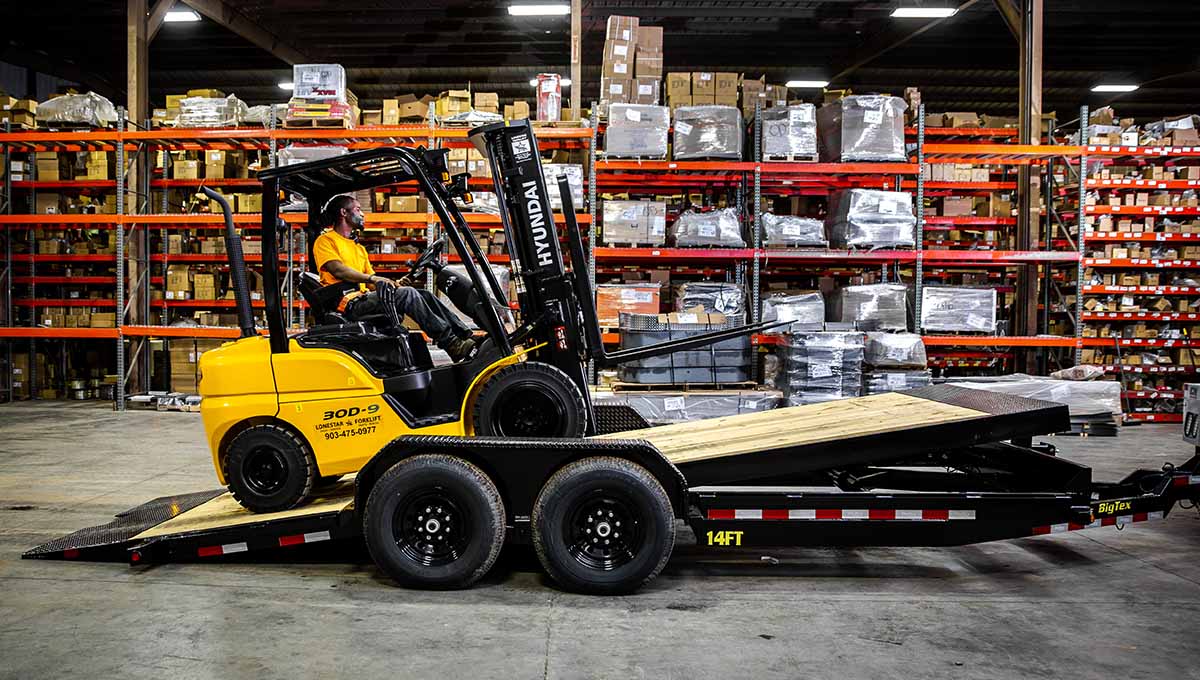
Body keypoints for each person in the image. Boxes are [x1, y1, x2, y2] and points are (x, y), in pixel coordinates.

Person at [312, 194, 477, 362]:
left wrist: (395, 284)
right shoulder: (325, 240)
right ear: (343, 212)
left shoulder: (358, 248)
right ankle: (451, 343)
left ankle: (463, 335)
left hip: (363, 298)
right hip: (347, 304)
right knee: (407, 294)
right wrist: (374, 279)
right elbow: (338, 270)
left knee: (423, 294)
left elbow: (372, 285)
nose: (363, 214)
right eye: (358, 210)